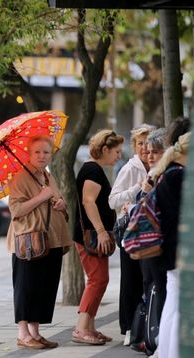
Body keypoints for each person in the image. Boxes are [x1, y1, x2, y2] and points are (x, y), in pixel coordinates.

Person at [6, 136, 72, 349]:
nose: (42, 156)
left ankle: (35, 332)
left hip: (51, 239)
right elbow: (16, 210)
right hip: (29, 240)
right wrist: (42, 197)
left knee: (44, 286)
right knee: (27, 285)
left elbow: (55, 198)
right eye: (37, 152)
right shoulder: (20, 178)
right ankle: (23, 334)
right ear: (28, 153)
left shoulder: (47, 176)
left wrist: (61, 204)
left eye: (46, 152)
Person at [72, 129, 124, 345]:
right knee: (98, 279)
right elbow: (88, 201)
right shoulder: (92, 170)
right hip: (90, 237)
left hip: (92, 235)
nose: (119, 156)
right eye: (117, 151)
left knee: (99, 279)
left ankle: (90, 327)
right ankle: (81, 328)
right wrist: (102, 232)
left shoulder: (94, 169)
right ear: (105, 149)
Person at [108, 124, 155, 344]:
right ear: (134, 146)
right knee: (130, 280)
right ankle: (128, 328)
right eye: (139, 143)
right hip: (131, 230)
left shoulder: (158, 165)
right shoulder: (130, 168)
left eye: (147, 142)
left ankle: (145, 325)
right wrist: (137, 188)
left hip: (151, 231)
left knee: (148, 279)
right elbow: (113, 200)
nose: (144, 148)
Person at [152, 132, 191, 358]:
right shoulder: (181, 176)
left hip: (167, 247)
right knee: (180, 305)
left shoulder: (165, 174)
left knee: (172, 302)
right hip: (181, 246)